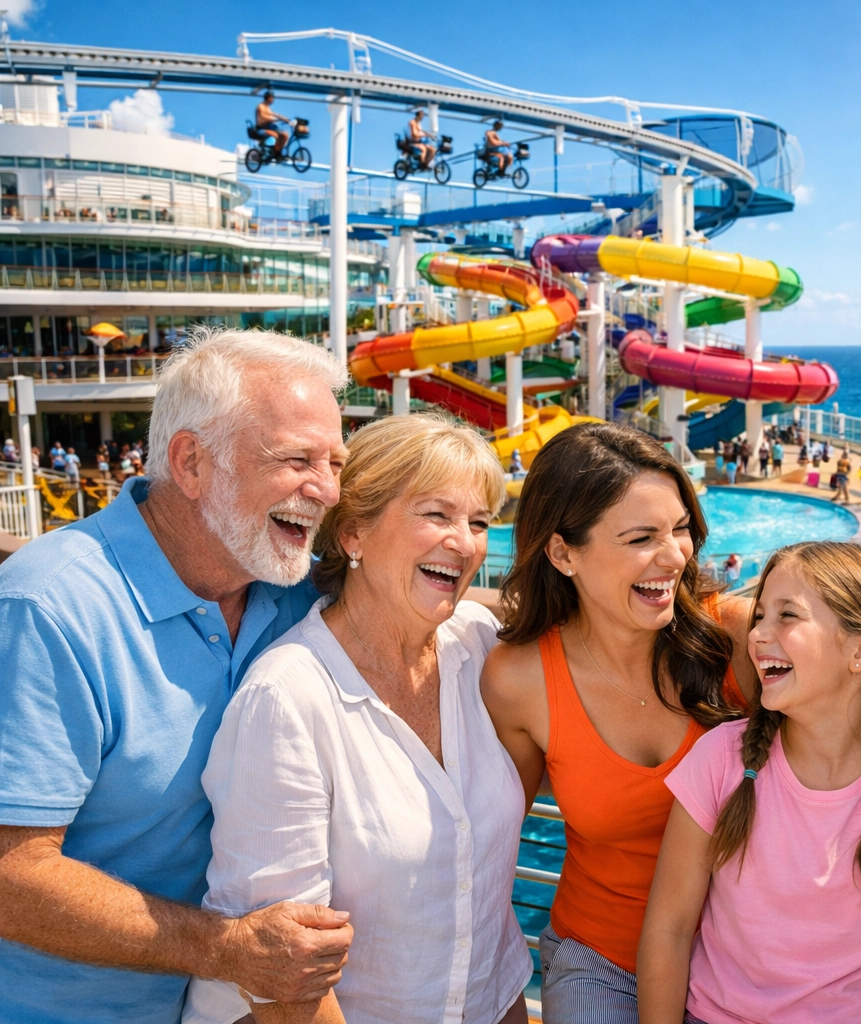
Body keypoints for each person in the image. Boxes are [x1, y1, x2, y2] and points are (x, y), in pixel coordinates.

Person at [0, 329, 354, 1023]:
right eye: (297, 460)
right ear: (191, 463)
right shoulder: (48, 607)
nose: (328, 491)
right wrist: (227, 949)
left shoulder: (293, 593)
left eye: (336, 463)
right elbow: (10, 876)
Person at [185, 415, 531, 1024]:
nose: (466, 542)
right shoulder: (287, 699)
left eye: (479, 522)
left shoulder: (478, 645)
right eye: (437, 514)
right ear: (354, 535)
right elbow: (284, 982)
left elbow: (488, 938)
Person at [479, 424, 754, 1023]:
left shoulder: (738, 640)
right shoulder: (520, 680)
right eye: (641, 538)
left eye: (680, 529)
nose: (675, 554)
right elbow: (490, 841)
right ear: (562, 553)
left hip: (743, 968)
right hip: (598, 960)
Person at [638, 542, 861, 1024]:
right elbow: (668, 929)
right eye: (760, 617)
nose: (757, 636)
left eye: (787, 616)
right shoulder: (719, 758)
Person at [254, 91, 291, 155]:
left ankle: (278, 151)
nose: (272, 99)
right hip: (262, 128)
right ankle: (276, 152)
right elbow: (263, 117)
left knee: (285, 135)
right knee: (275, 135)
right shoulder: (261, 106)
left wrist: (285, 119)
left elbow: (276, 115)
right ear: (267, 98)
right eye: (271, 98)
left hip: (270, 127)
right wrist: (273, 119)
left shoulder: (268, 108)